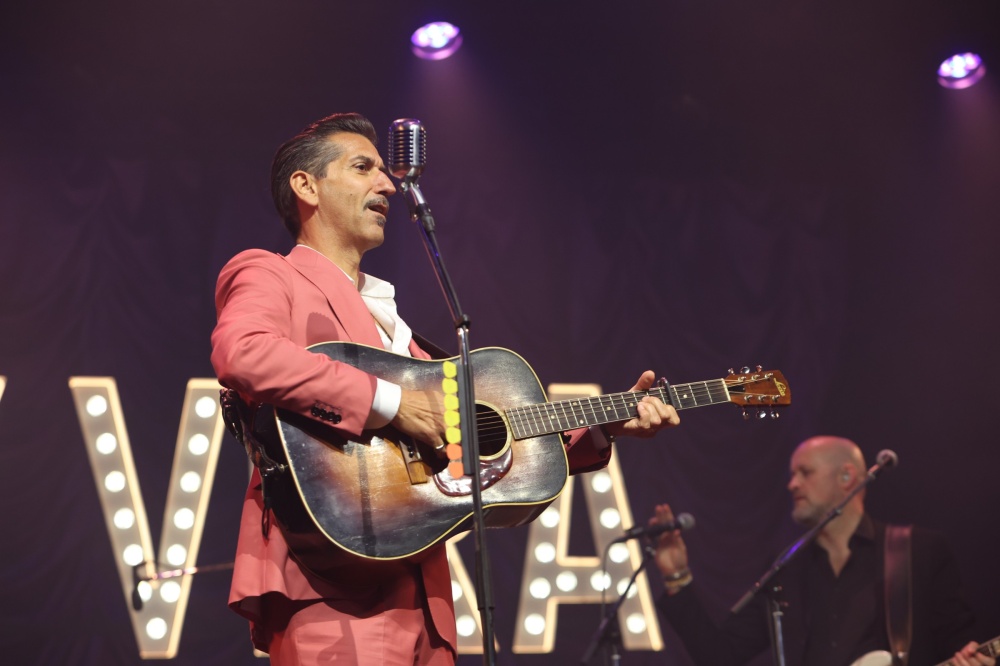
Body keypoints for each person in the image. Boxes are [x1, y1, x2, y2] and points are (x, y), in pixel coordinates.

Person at [210, 112, 681, 665]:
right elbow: (243, 352)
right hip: (331, 587)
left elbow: (484, 440)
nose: (387, 185)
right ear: (306, 186)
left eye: (384, 170)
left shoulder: (400, 332)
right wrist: (391, 403)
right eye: (363, 167)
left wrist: (603, 426)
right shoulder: (270, 273)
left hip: (425, 601)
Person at [650, 435, 993, 666]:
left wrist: (972, 659)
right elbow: (719, 656)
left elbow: (959, 641)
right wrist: (676, 576)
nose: (792, 484)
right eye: (792, 474)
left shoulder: (918, 550)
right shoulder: (787, 570)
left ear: (847, 477)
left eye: (805, 472)